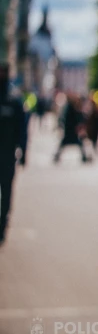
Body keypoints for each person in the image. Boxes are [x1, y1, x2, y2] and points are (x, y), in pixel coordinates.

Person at [0, 65, 26, 244]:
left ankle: (2, 225)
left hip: (7, 156)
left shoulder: (14, 99)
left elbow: (22, 129)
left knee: (6, 193)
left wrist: (24, 151)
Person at [53, 94, 89, 164]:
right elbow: (75, 118)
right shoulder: (70, 108)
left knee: (77, 144)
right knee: (69, 143)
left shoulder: (72, 108)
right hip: (70, 130)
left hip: (71, 131)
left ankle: (84, 157)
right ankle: (57, 156)